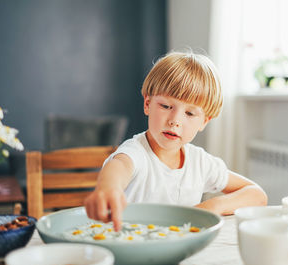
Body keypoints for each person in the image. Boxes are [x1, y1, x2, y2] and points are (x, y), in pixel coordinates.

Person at [84, 51, 267, 231]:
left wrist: (212, 207)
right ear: (147, 104)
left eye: (189, 113)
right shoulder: (136, 152)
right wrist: (108, 188)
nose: (175, 120)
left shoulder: (199, 162)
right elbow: (119, 166)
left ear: (204, 121)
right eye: (166, 106)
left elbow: (257, 194)